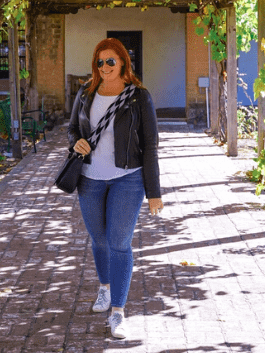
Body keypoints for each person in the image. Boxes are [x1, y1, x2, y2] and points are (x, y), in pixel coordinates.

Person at [68, 38, 163, 339]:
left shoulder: (139, 96)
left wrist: (154, 191)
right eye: (100, 61)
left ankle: (118, 312)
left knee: (119, 242)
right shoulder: (86, 93)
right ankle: (105, 289)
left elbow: (150, 145)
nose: (105, 67)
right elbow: (72, 128)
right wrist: (76, 142)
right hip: (89, 178)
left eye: (111, 61)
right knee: (99, 240)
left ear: (123, 61)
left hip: (128, 178)